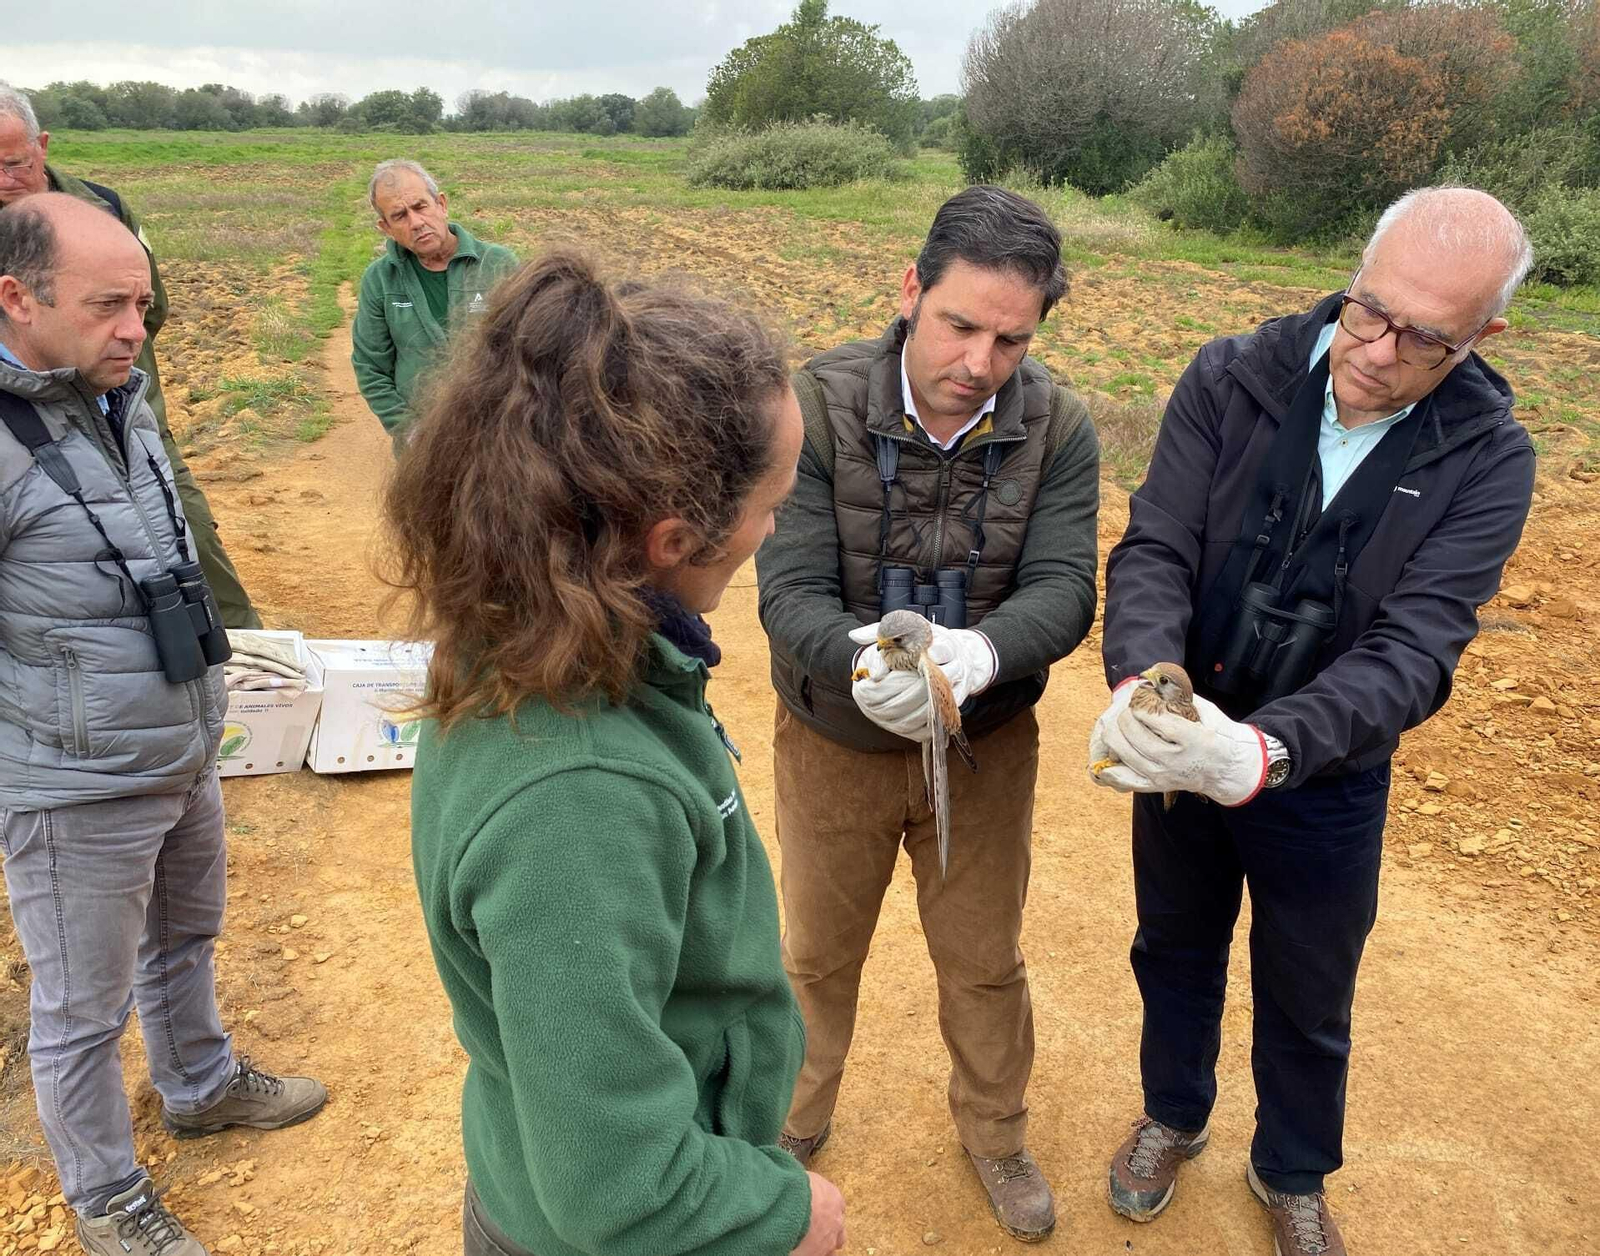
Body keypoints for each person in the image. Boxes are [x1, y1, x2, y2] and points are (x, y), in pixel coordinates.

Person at [1090, 187, 1535, 1256]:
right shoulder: (1229, 375)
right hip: (1179, 732)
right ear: (1356, 273)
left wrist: (1263, 747)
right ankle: (1174, 1112)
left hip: (1323, 774)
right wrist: (1149, 681)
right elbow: (1155, 545)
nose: (1376, 351)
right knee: (1175, 943)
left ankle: (1290, 1167)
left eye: (1423, 338)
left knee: (1309, 983)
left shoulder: (1491, 458)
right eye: (1368, 310)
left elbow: (1416, 649)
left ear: (1483, 337)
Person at [390, 250, 846, 1256]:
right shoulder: (580, 793)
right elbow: (620, 1187)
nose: (775, 528)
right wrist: (788, 1212)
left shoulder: (535, 621)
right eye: (771, 506)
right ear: (674, 539)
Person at [755, 185, 1101, 1242]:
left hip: (984, 748)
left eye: (1012, 337)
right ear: (910, 290)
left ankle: (995, 1133)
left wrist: (979, 653)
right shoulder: (810, 405)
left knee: (983, 957)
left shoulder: (1059, 425)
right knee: (815, 953)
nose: (981, 361)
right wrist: (867, 658)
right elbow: (788, 588)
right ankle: (789, 1128)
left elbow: (1064, 585)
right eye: (960, 324)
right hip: (834, 745)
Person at [0, 194, 327, 1256]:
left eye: (141, 303)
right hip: (72, 783)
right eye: (107, 305)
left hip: (181, 744)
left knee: (185, 936)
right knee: (80, 1011)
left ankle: (196, 1083)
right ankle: (104, 1197)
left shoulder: (122, 397)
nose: (134, 328)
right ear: (18, 297)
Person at [0, 81, 261, 629]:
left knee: (192, 549)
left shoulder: (105, 210)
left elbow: (153, 308)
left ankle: (252, 677)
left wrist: (100, 356)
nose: (2, 182)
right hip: (24, 435)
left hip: (126, 425)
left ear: (42, 146)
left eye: (13, 164)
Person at [352, 158, 518, 451]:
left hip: (497, 440)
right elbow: (370, 367)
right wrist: (409, 430)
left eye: (420, 207)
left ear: (441, 204)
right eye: (399, 216)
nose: (416, 223)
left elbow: (527, 352)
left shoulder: (498, 264)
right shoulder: (380, 280)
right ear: (385, 227)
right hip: (422, 447)